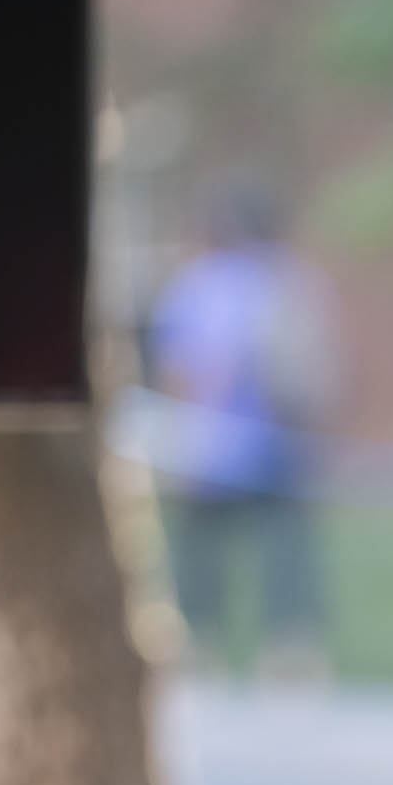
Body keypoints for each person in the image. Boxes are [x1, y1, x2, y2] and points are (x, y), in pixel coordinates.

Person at [147, 182, 340, 681]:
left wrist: (183, 438)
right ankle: (293, 657)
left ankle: (198, 652)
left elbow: (184, 369)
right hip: (281, 444)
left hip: (213, 449)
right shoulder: (291, 279)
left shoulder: (200, 284)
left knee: (201, 559)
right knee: (286, 555)